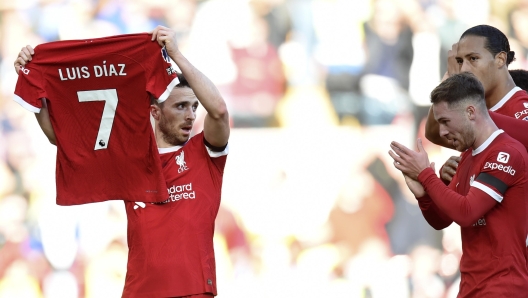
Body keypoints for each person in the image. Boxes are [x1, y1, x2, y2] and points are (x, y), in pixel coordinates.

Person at [15, 26, 230, 298]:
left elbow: (220, 111)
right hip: (138, 292)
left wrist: (176, 55)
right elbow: (63, 140)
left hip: (192, 291)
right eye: (180, 106)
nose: (190, 115)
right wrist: (32, 80)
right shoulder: (131, 151)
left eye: (193, 106)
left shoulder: (206, 155)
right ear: (155, 111)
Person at [389, 72, 528, 297]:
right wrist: (423, 196)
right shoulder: (466, 157)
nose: (441, 132)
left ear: (471, 112)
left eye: (445, 121)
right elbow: (441, 219)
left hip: (503, 288)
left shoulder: (506, 153)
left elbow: (466, 212)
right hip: (471, 288)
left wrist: (426, 175)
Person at [424, 24, 528, 183]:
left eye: (473, 58)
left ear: (500, 59)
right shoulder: (474, 111)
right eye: (459, 61)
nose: (464, 68)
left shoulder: (521, 106)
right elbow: (434, 131)